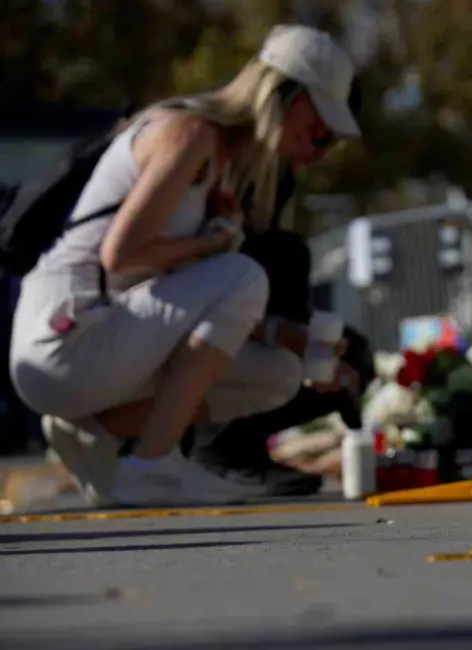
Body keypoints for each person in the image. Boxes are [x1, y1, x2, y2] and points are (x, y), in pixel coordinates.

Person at [7, 24, 361, 507]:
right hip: (64, 338)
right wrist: (210, 243)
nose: (317, 150)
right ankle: (154, 465)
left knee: (278, 372)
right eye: (320, 131)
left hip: (104, 336)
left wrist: (283, 335)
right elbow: (121, 254)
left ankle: (97, 432)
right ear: (283, 95)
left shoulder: (221, 166)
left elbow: (182, 299)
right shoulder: (189, 132)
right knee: (245, 274)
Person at [185, 83, 375, 496]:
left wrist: (311, 344)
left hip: (241, 320)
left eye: (332, 143)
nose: (320, 152)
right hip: (184, 323)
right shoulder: (218, 153)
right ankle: (215, 448)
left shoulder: (278, 176)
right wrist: (279, 334)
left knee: (352, 357)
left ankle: (243, 446)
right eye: (319, 134)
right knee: (287, 255)